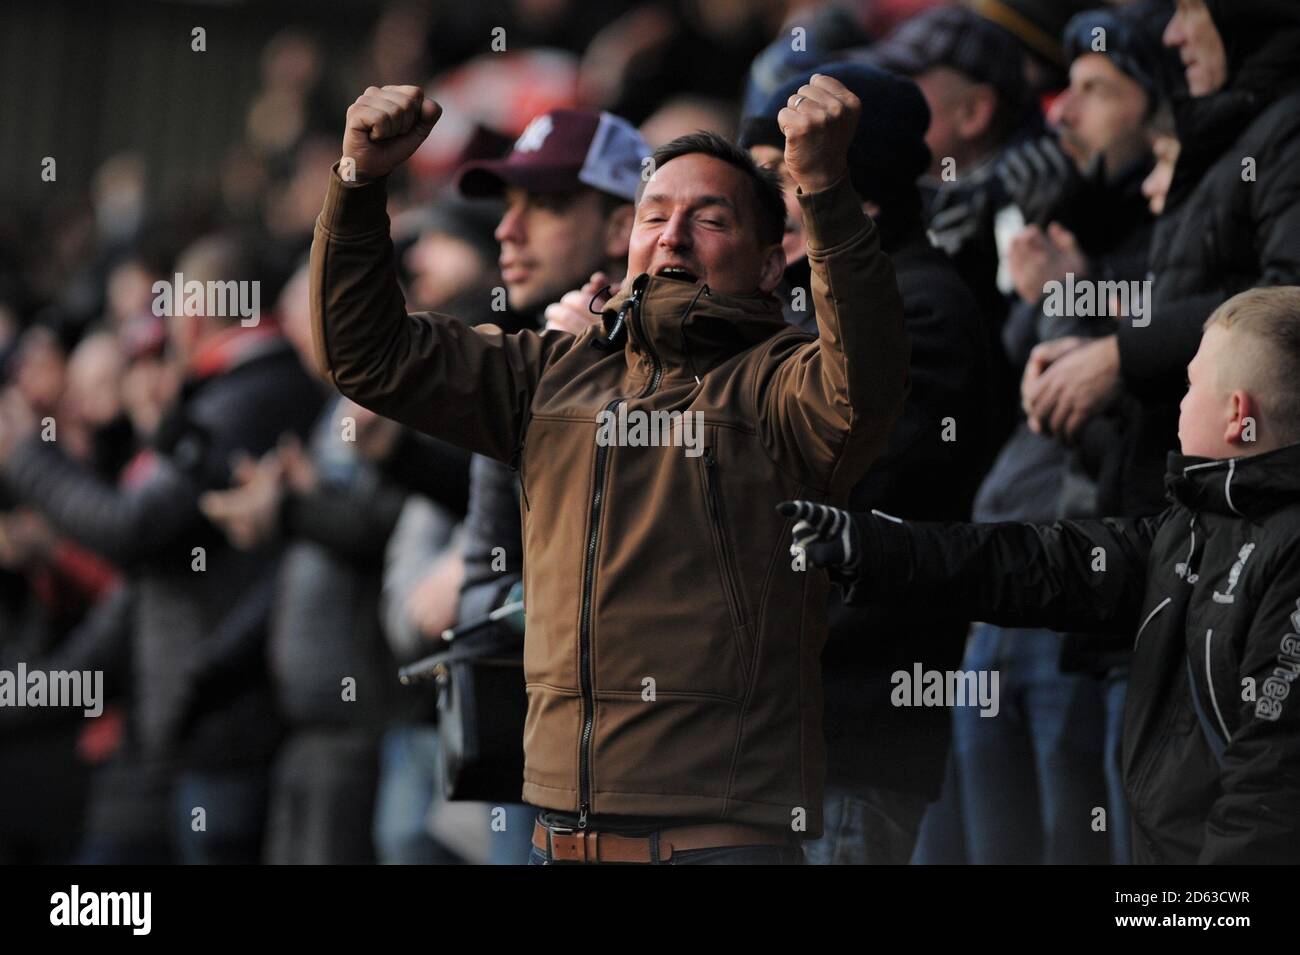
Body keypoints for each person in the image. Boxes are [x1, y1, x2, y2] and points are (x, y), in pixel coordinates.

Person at [311, 77, 908, 863]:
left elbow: (863, 384)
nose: (672, 234)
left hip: (720, 844)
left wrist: (825, 189)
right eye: (656, 214)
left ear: (772, 266)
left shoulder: (783, 382)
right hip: (557, 840)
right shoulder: (549, 372)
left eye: (711, 217)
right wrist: (358, 180)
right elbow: (367, 353)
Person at [783, 286, 1300, 864]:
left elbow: (1269, 792)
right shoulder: (1190, 531)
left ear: (1237, 415)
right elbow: (1038, 561)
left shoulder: (1286, 553)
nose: (1176, 403)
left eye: (1190, 385)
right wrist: (878, 547)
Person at [742, 61, 993, 864]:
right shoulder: (803, 300)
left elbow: (834, 491)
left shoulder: (922, 306)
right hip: (780, 734)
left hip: (851, 732)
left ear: (854, 187)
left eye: (779, 178)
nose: (757, 206)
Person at [452, 108, 649, 862]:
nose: (509, 230)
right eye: (507, 205)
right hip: (535, 739)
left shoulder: (693, 367)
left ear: (619, 226)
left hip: (643, 756)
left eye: (547, 204)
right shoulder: (523, 355)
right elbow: (485, 569)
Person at [1023, 0, 1300, 519]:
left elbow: (1286, 301)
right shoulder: (1234, 129)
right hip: (1170, 505)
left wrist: (1118, 356)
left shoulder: (1282, 131)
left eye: (1191, 10)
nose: (1175, 34)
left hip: (1227, 513)